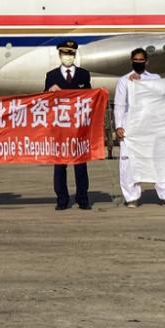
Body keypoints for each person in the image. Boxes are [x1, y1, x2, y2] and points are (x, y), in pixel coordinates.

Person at [114, 48, 165, 208]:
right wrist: (119, 125)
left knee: (159, 160)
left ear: (146, 61)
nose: (138, 63)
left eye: (141, 60)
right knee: (129, 162)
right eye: (135, 60)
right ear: (131, 61)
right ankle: (131, 197)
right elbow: (120, 105)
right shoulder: (124, 80)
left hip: (151, 125)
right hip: (131, 126)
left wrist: (141, 84)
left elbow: (161, 97)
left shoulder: (155, 78)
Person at [44, 41, 92, 210]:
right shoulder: (52, 76)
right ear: (60, 55)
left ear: (75, 55)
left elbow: (89, 97)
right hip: (60, 128)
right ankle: (62, 200)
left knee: (80, 165)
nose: (68, 57)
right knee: (60, 166)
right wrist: (50, 91)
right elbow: (45, 101)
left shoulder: (83, 75)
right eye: (65, 53)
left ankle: (83, 199)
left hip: (78, 127)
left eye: (71, 53)